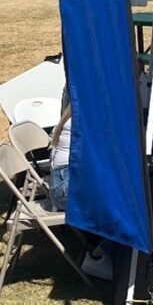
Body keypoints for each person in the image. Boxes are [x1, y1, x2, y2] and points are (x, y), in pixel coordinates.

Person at [47, 106, 113, 279]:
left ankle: (107, 252)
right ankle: (97, 256)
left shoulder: (79, 113)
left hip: (66, 181)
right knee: (128, 208)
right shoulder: (84, 118)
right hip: (66, 186)